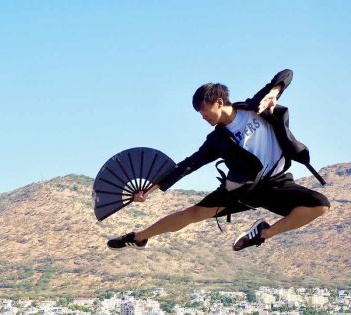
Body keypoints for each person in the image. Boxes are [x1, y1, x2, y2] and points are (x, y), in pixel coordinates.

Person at [107, 69, 330, 251]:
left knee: (319, 205)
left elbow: (287, 73)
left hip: (276, 183)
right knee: (192, 214)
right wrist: (149, 190)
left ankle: (262, 233)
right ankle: (139, 237)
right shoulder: (218, 140)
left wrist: (274, 91)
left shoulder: (255, 106)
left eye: (203, 111)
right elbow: (188, 165)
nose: (202, 118)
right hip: (243, 188)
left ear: (219, 102)